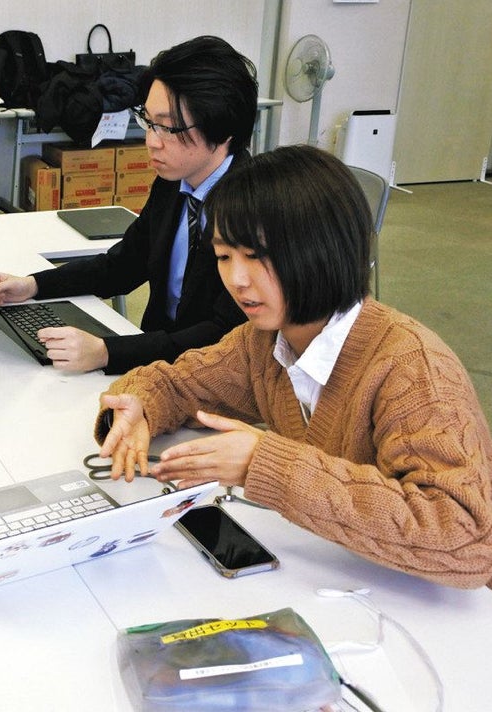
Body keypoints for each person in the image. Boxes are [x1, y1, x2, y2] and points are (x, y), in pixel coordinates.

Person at [96, 144, 492, 588]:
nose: (237, 279)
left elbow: (467, 541)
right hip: (344, 581)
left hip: (439, 611)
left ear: (324, 250)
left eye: (257, 256)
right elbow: (178, 384)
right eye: (224, 256)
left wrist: (266, 466)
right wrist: (138, 406)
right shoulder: (264, 341)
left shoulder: (413, 370)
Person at [0, 36, 257, 374]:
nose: (151, 141)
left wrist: (107, 352)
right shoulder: (174, 183)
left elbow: (224, 334)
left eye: (168, 128)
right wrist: (34, 285)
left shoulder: (256, 209)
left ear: (223, 128)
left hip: (212, 375)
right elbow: (122, 266)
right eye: (148, 122)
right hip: (156, 365)